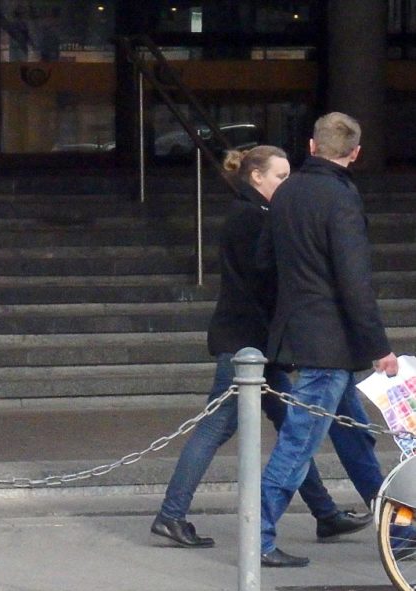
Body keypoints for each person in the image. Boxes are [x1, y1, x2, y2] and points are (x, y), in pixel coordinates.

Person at [151, 145, 372, 548]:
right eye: (280, 177)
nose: (286, 185)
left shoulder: (255, 214)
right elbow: (265, 279)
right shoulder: (252, 217)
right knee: (217, 428)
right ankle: (171, 514)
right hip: (246, 347)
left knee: (292, 429)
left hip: (255, 347)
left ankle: (324, 513)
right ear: (257, 177)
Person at [257, 112, 397, 567]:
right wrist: (379, 346)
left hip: (298, 331)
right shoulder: (341, 198)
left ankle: (399, 525)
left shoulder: (286, 191)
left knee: (355, 438)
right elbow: (354, 280)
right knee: (298, 444)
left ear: (312, 147)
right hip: (330, 342)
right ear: (354, 153)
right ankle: (257, 537)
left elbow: (266, 262)